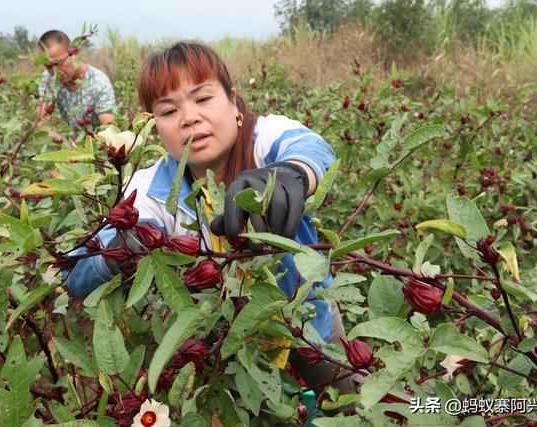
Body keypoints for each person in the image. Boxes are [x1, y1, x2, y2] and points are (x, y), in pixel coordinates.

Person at [65, 42, 358, 408]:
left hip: (307, 314)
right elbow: (76, 276)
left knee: (350, 402)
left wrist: (287, 176)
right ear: (154, 126)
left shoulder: (262, 140)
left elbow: (312, 150)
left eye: (203, 98)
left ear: (233, 101)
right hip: (225, 342)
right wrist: (124, 243)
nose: (189, 118)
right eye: (168, 110)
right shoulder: (150, 190)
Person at [36, 30, 116, 140]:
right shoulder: (47, 79)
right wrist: (61, 142)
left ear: (73, 53)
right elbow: (42, 122)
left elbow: (108, 127)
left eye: (58, 63)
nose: (55, 72)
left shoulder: (98, 82)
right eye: (48, 66)